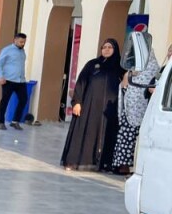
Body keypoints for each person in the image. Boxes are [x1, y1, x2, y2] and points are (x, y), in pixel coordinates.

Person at [60, 38, 121, 172]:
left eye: (110, 47)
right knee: (83, 133)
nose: (106, 50)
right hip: (89, 107)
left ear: (115, 50)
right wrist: (77, 102)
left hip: (108, 111)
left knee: (104, 135)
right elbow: (81, 83)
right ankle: (73, 162)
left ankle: (101, 164)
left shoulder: (119, 68)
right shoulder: (92, 64)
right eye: (104, 47)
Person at [112, 30, 159, 175]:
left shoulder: (154, 68)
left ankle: (139, 166)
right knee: (126, 135)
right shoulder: (132, 68)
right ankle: (122, 164)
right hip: (129, 107)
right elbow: (125, 84)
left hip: (145, 107)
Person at [0, 32, 28, 130]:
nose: (23, 44)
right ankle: (1, 122)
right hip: (8, 80)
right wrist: (0, 76)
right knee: (5, 101)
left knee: (23, 100)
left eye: (24, 42)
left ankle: (15, 121)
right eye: (21, 42)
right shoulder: (7, 50)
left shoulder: (22, 51)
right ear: (15, 40)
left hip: (21, 81)